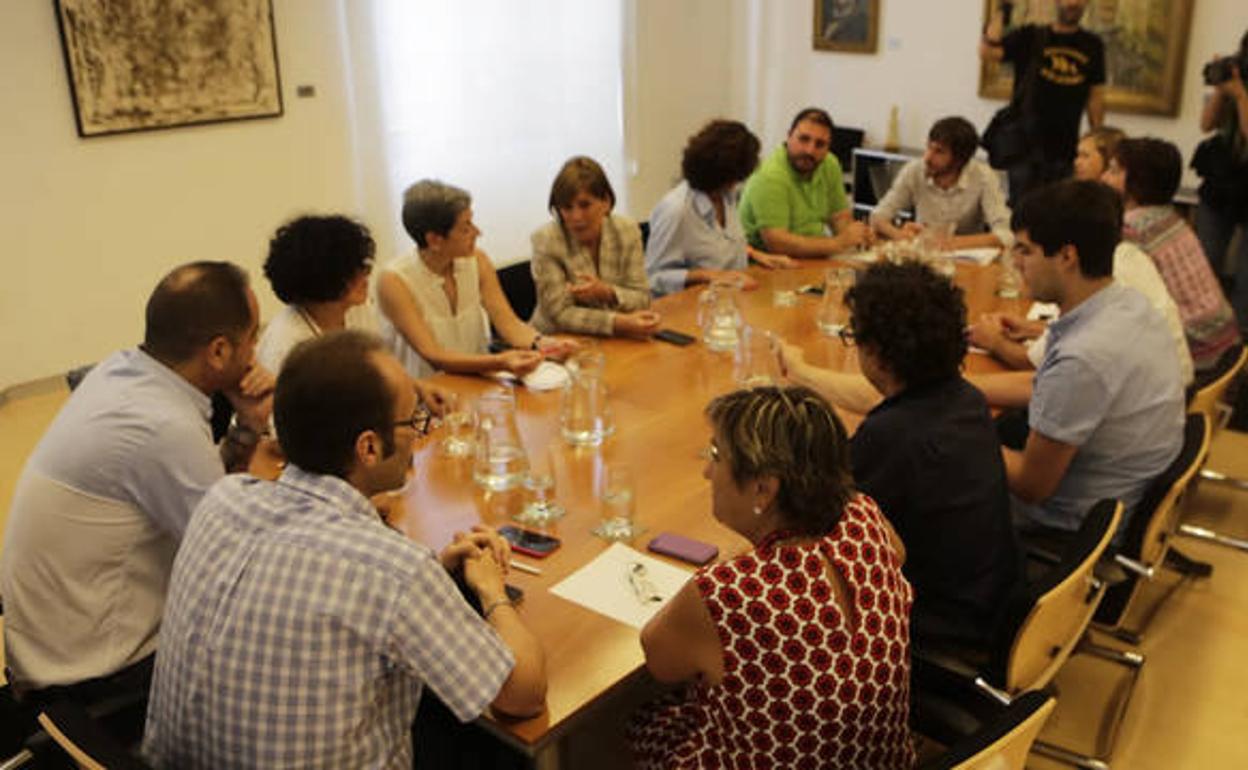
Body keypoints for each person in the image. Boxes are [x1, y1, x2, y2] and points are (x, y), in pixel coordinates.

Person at [142, 331, 547, 768]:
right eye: (413, 421)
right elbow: (521, 696)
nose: (420, 433)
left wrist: (435, 571)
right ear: (368, 447)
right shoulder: (393, 571)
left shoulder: (224, 498)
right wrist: (490, 590)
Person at [0, 262, 273, 733]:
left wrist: (247, 427)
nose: (256, 353)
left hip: (48, 646)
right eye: (253, 338)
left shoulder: (122, 373)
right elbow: (244, 561)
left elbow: (210, 499)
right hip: (94, 678)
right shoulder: (160, 425)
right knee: (285, 628)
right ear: (219, 351)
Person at [629, 386, 915, 769]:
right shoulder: (865, 517)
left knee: (635, 719)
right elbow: (897, 555)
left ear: (763, 489)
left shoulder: (729, 592)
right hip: (878, 760)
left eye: (716, 455)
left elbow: (660, 661)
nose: (706, 472)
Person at [777, 262, 1018, 647]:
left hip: (934, 626)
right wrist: (801, 374)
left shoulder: (891, 437)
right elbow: (880, 401)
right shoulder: (964, 399)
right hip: (989, 600)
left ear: (875, 354)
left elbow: (805, 528)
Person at [1004, 180, 1184, 539]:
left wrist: (962, 431)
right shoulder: (1128, 305)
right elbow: (1045, 386)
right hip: (1117, 494)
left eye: (1025, 251)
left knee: (922, 467)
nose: (1015, 262)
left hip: (1066, 523)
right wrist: (961, 388)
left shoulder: (1083, 358)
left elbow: (1029, 485)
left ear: (1067, 257)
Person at [377, 180, 576, 379]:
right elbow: (434, 355)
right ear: (434, 240)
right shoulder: (394, 280)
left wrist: (543, 343)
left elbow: (509, 324)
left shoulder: (477, 260)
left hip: (477, 379)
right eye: (466, 228)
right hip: (424, 389)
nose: (477, 232)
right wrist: (500, 362)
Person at [258, 214, 452, 410]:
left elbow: (376, 372)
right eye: (355, 269)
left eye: (363, 265)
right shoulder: (286, 345)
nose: (366, 274)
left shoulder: (359, 310)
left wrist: (417, 387)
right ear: (324, 280)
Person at [1104, 137, 1242, 372]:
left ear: (1138, 181)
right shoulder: (1172, 217)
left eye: (1114, 171)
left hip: (1194, 355)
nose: (1104, 177)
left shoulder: (1131, 229)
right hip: (1225, 345)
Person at [645, 120, 795, 297]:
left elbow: (720, 244)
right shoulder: (676, 211)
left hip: (732, 299)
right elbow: (652, 278)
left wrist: (755, 255)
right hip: (692, 306)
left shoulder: (726, 196)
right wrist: (707, 275)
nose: (736, 184)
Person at [980, 0, 1105, 204]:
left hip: (1066, 149)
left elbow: (1095, 96)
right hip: (1024, 150)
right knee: (1023, 210)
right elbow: (988, 51)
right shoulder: (1030, 36)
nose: (1073, 3)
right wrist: (1003, 9)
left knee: (1058, 211)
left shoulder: (1093, 45)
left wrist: (1098, 138)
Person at [531, 156, 661, 337]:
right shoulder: (546, 240)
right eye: (567, 207)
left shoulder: (627, 231)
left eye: (585, 205)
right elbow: (560, 314)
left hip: (613, 340)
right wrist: (619, 323)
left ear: (606, 202)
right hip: (556, 340)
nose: (576, 217)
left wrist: (607, 293)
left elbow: (642, 298)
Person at [738, 107, 873, 258]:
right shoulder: (770, 175)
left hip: (813, 258)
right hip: (768, 263)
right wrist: (838, 243)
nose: (810, 150)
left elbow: (839, 217)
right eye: (803, 139)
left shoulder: (829, 164)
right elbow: (777, 243)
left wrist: (855, 235)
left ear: (828, 147)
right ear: (789, 136)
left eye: (820, 144)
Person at [870, 116, 1014, 250]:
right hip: (924, 254)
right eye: (929, 147)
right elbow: (877, 216)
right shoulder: (914, 170)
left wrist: (952, 242)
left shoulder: (984, 177)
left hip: (967, 257)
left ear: (959, 159)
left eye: (939, 151)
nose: (928, 157)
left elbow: (1007, 234)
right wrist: (900, 236)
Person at [1194, 31, 1248, 331]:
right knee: (1204, 263)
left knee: (1245, 277)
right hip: (1222, 184)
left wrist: (1241, 95)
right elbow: (1206, 124)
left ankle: (1241, 342)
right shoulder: (1235, 79)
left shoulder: (1240, 91)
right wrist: (1220, 88)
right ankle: (1203, 330)